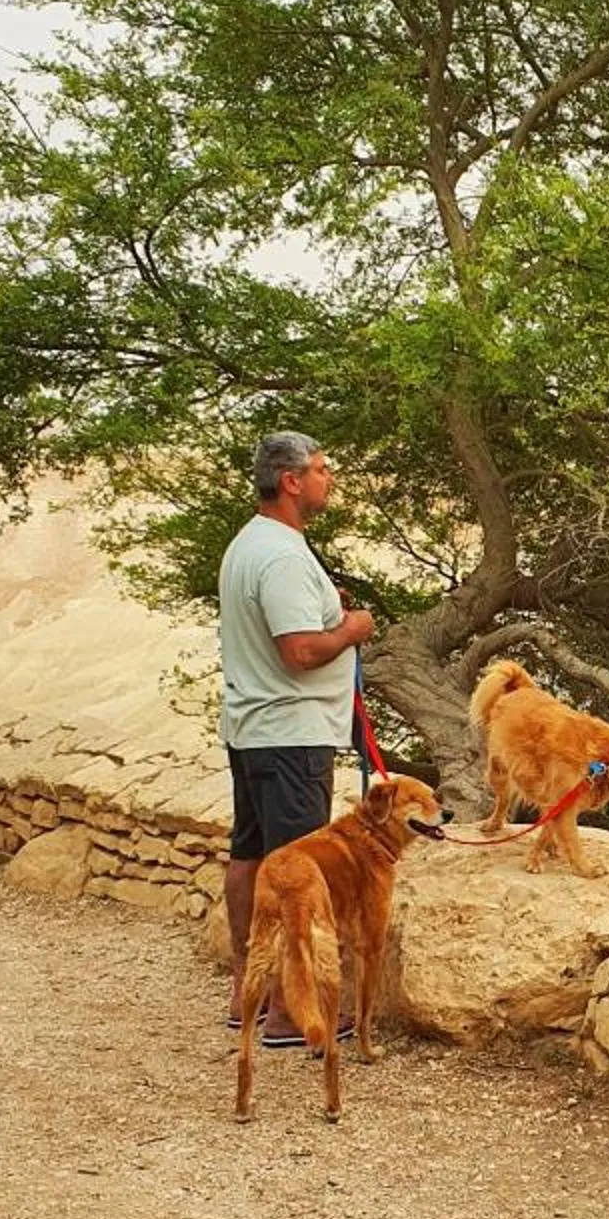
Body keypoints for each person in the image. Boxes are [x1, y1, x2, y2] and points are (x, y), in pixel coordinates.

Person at [217, 431, 375, 1039]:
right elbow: (302, 650)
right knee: (300, 870)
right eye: (321, 469)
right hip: (291, 733)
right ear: (291, 481)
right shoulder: (282, 554)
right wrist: (353, 627)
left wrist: (322, 605)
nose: (327, 479)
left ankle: (249, 994)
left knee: (250, 856)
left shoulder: (249, 545)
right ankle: (293, 1009)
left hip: (254, 727)